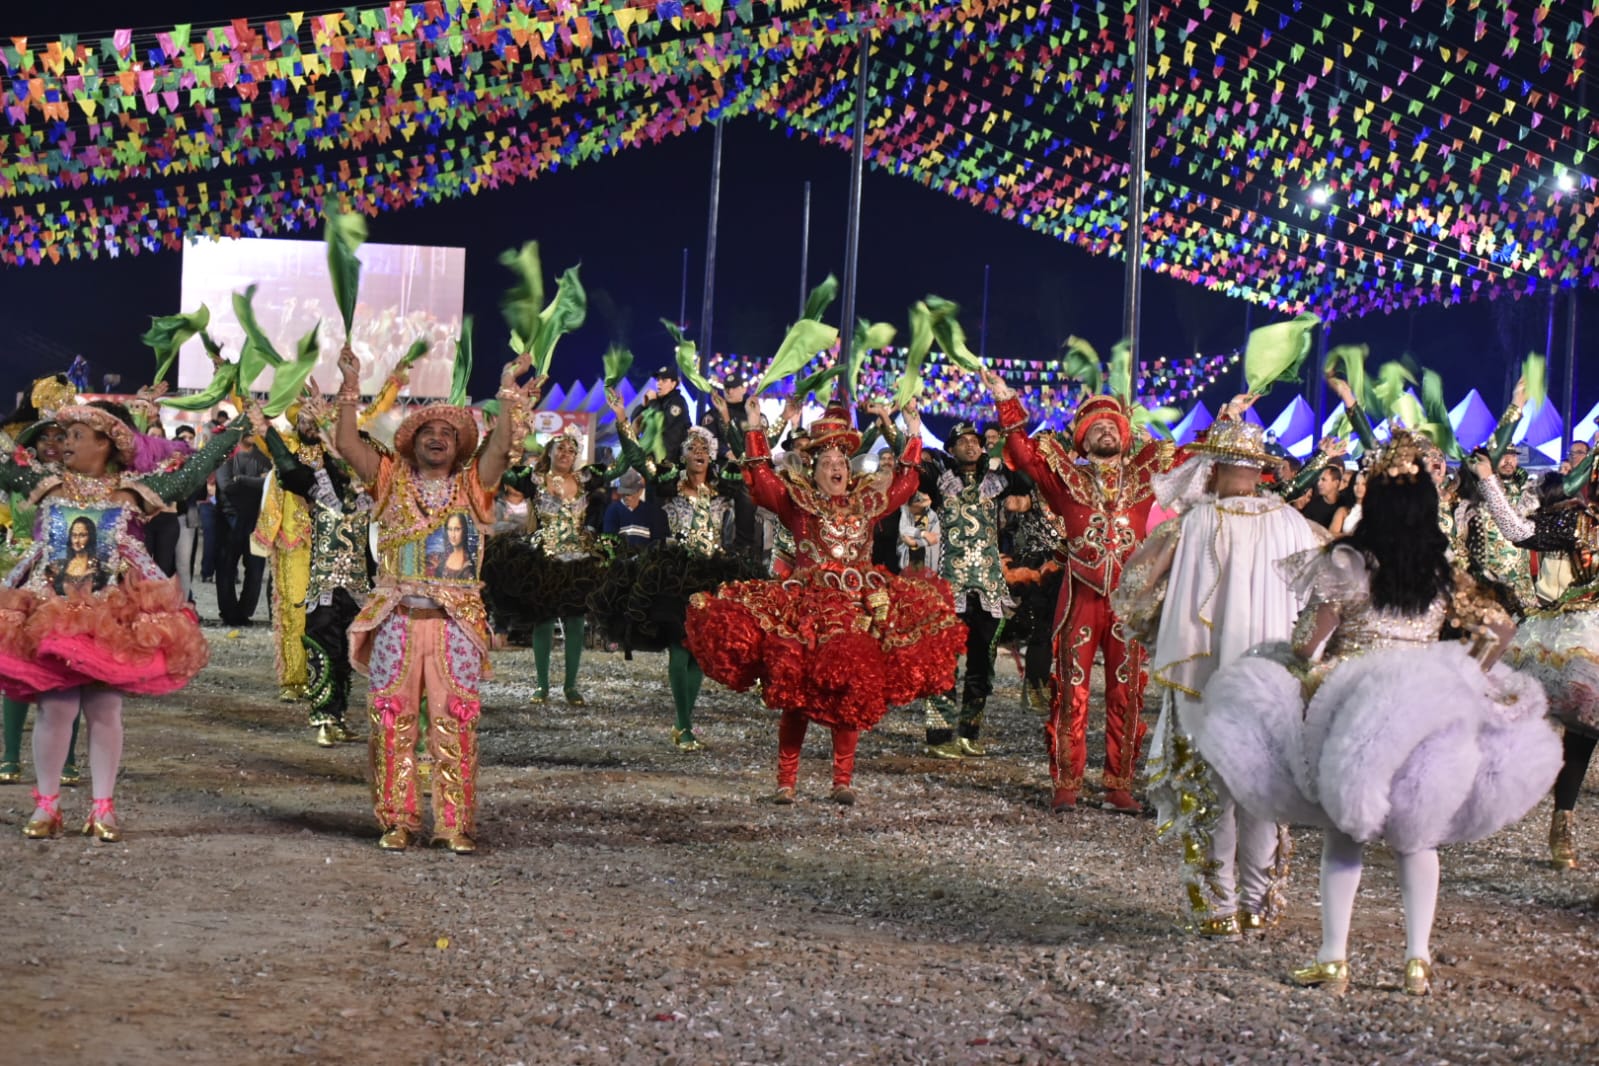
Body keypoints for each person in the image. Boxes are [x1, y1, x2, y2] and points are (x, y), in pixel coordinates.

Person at [1199, 433, 1561, 995]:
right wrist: (1468, 671)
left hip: (1355, 703)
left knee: (1347, 832)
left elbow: (1305, 645)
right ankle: (1416, 962)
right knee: (1419, 839)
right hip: (1428, 702)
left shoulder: (1348, 562)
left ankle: (1334, 958)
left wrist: (1302, 665)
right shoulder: (1439, 571)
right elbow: (1501, 626)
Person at [685, 397, 965, 803]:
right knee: (797, 695)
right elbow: (761, 479)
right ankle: (786, 781)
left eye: (841, 460)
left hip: (857, 608)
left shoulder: (867, 502)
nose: (836, 466)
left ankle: (842, 781)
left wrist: (914, 429)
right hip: (808, 608)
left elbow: (906, 482)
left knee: (851, 688)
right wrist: (752, 425)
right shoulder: (797, 503)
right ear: (813, 469)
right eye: (827, 460)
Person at [1112, 416, 1327, 936]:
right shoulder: (1299, 526)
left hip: (1204, 676)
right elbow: (1334, 592)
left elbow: (1133, 590)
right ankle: (1258, 902)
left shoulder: (1189, 524)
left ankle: (1218, 908)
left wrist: (1158, 629)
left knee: (1210, 791)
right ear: (1258, 472)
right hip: (1274, 679)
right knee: (1267, 790)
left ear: (1215, 466)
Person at [0, 401, 249, 841]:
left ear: (105, 443)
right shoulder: (48, 482)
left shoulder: (132, 490)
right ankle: (47, 805)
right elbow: (4, 461)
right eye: (63, 436)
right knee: (56, 707)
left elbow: (191, 474)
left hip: (107, 613)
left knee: (104, 708)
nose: (64, 444)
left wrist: (236, 432)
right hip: (51, 611)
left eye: (76, 435)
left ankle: (103, 807)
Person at [335, 342, 535, 853]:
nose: (439, 438)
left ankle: (453, 823)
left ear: (459, 446)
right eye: (429, 431)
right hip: (397, 621)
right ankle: (397, 820)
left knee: (456, 721)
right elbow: (347, 445)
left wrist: (508, 394)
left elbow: (499, 447)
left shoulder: (474, 485)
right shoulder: (388, 480)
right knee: (391, 721)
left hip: (455, 625)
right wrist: (350, 389)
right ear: (413, 442)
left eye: (448, 433)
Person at [979, 368, 1204, 812]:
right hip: (1079, 597)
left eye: (1111, 425)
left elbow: (1191, 457)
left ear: (1124, 435)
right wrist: (1005, 397)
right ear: (1081, 440)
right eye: (1095, 427)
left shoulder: (1147, 476)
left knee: (1127, 691)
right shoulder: (1065, 479)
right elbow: (1024, 453)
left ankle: (1118, 782)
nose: (1104, 430)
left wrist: (1228, 420)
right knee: (1072, 688)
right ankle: (1068, 780)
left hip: (1128, 602)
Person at [597, 412, 764, 750]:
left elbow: (750, 462)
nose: (699, 451)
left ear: (712, 454)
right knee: (679, 647)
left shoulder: (722, 488)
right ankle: (683, 723)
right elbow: (636, 460)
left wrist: (732, 422)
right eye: (692, 447)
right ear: (684, 455)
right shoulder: (669, 486)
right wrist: (621, 421)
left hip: (713, 573)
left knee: (699, 654)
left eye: (705, 446)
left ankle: (685, 720)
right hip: (675, 575)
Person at [1469, 443, 1599, 868]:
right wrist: (1489, 480)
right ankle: (1562, 826)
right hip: (1584, 637)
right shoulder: (1581, 521)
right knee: (1582, 739)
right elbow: (1519, 533)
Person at [259, 402, 375, 747]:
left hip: (361, 586)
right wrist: (264, 427)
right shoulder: (318, 486)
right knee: (324, 649)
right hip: (325, 584)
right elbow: (287, 467)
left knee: (348, 655)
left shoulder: (373, 495)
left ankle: (340, 716)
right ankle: (324, 716)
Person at [485, 426, 621, 704]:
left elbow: (624, 466)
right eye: (561, 448)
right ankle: (542, 685)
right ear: (550, 451)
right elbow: (504, 471)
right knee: (544, 620)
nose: (566, 453)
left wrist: (622, 421)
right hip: (544, 560)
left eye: (572, 450)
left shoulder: (585, 479)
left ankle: (571, 686)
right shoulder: (534, 479)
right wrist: (508, 435)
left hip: (579, 561)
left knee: (575, 621)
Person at [920, 421, 1029, 759]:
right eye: (962, 441)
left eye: (975, 441)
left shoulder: (996, 482)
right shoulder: (940, 481)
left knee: (983, 662)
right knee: (943, 661)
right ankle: (939, 735)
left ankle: (970, 732)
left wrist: (1004, 456)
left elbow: (1026, 476)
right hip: (950, 584)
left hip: (987, 585)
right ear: (950, 448)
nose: (970, 446)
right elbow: (913, 470)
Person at [252, 406, 322, 700]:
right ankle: (294, 679)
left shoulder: (335, 450)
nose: (308, 424)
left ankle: (323, 679)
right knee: (294, 610)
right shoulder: (286, 446)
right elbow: (260, 429)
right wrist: (236, 388)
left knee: (326, 617)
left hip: (332, 544)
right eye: (303, 419)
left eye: (314, 418)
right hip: (293, 542)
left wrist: (396, 379)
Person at [215, 436, 271, 626]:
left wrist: (241, 480)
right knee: (226, 568)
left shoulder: (263, 457)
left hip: (257, 519)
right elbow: (226, 486)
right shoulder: (226, 457)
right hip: (229, 518)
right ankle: (229, 613)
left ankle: (245, 612)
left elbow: (270, 484)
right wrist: (256, 481)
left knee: (256, 569)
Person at [631, 366, 692, 461]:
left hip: (670, 460)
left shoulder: (677, 402)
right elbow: (635, 423)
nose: (659, 383)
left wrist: (652, 402)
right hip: (652, 457)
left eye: (663, 380)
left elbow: (662, 423)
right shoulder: (658, 402)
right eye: (658, 379)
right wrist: (643, 406)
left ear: (673, 384)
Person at [602, 469, 668, 548]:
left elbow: (658, 541)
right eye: (624, 493)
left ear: (640, 491)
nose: (627, 497)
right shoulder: (613, 510)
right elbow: (610, 539)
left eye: (630, 493)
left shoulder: (652, 512)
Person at [897, 492, 940, 573]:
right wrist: (923, 534)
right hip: (908, 561)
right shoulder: (906, 513)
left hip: (927, 562)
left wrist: (917, 542)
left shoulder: (932, 516)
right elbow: (904, 531)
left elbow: (934, 539)